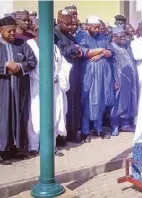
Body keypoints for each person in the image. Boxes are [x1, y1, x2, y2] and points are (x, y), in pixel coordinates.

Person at [27, 22, 72, 157]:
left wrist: (58, 77)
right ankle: (33, 146)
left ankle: (51, 146)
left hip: (54, 86)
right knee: (36, 115)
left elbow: (64, 65)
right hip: (37, 86)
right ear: (35, 31)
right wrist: (44, 78)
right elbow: (29, 66)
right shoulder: (29, 45)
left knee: (54, 115)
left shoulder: (54, 47)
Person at [0, 16, 37, 165]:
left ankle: (16, 148)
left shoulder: (22, 44)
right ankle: (2, 151)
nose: (13, 34)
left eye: (14, 30)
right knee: (3, 118)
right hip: (3, 89)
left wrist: (20, 67)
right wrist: (5, 66)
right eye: (9, 31)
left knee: (19, 116)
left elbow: (32, 61)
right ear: (1, 31)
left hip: (20, 89)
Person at [75, 16, 115, 143]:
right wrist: (102, 50)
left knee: (101, 101)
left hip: (103, 76)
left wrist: (103, 53)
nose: (97, 30)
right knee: (88, 102)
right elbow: (85, 52)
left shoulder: (103, 37)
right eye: (95, 27)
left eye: (98, 27)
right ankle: (85, 132)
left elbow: (111, 52)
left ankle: (99, 129)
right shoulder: (81, 37)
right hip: (89, 76)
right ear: (87, 26)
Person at [54, 9, 83, 143]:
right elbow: (56, 53)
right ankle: (61, 135)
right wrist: (71, 49)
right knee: (64, 105)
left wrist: (78, 51)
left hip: (74, 72)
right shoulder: (55, 34)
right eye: (68, 24)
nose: (71, 27)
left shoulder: (70, 35)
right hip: (63, 74)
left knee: (75, 103)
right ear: (60, 22)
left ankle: (73, 132)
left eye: (72, 24)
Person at [109, 27, 139, 135]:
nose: (123, 39)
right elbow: (109, 67)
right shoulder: (110, 48)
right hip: (118, 79)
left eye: (124, 36)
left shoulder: (126, 46)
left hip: (129, 79)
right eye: (121, 37)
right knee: (117, 102)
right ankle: (115, 125)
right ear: (114, 38)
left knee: (128, 100)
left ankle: (125, 125)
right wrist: (113, 80)